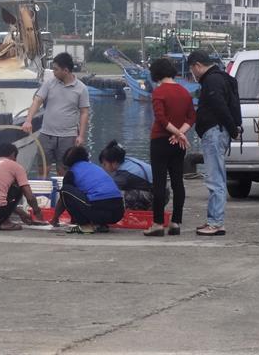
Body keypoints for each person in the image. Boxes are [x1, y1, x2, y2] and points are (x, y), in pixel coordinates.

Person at [187, 50, 242, 237]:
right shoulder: (224, 78)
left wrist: (232, 130)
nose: (192, 75)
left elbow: (220, 106)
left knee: (215, 178)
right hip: (219, 132)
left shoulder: (211, 81)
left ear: (197, 65)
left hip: (214, 132)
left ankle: (215, 222)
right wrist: (235, 127)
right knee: (216, 176)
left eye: (192, 70)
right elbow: (233, 104)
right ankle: (214, 219)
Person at [143, 58, 196, 237]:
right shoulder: (185, 92)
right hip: (178, 144)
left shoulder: (159, 92)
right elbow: (191, 116)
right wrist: (181, 133)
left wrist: (175, 133)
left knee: (159, 182)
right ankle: (176, 222)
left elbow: (161, 119)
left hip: (160, 141)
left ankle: (157, 223)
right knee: (177, 182)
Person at [21, 52, 90, 175]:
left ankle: (62, 193)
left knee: (64, 170)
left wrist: (81, 136)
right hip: (46, 134)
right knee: (43, 169)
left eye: (56, 69)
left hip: (68, 136)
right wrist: (28, 120)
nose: (53, 72)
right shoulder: (49, 83)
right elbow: (37, 101)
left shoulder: (81, 89)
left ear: (66, 70)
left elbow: (84, 112)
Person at [52, 146, 124, 234]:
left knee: (65, 190)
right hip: (118, 211)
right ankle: (99, 224)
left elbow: (63, 200)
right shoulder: (94, 167)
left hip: (98, 208)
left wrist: (55, 219)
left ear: (68, 163)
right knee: (86, 195)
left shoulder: (71, 172)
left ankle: (84, 225)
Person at [98, 139, 161, 211]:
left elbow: (106, 189)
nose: (103, 167)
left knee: (129, 195)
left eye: (104, 164)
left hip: (160, 196)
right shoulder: (127, 161)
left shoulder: (124, 175)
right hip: (161, 190)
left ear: (114, 162)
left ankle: (136, 214)